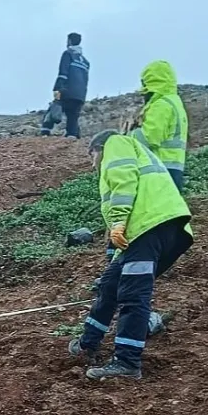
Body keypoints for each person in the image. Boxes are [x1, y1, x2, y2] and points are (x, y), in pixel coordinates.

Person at [68, 130, 192, 381]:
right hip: (150, 231)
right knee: (110, 284)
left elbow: (124, 182)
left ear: (99, 148)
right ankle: (87, 344)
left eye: (91, 157)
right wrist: (116, 254)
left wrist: (118, 222)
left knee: (133, 294)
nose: (92, 165)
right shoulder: (132, 149)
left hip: (149, 227)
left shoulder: (115, 143)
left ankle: (127, 362)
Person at [130, 61, 188, 192]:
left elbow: (148, 138)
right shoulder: (174, 101)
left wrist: (129, 135)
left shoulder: (161, 105)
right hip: (173, 168)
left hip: (160, 168)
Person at [43, 32, 90, 138]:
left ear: (69, 41)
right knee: (73, 115)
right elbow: (85, 79)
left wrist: (57, 88)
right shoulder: (86, 62)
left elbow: (63, 73)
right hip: (80, 94)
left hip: (66, 90)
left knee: (54, 108)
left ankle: (45, 132)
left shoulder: (68, 54)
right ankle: (72, 135)